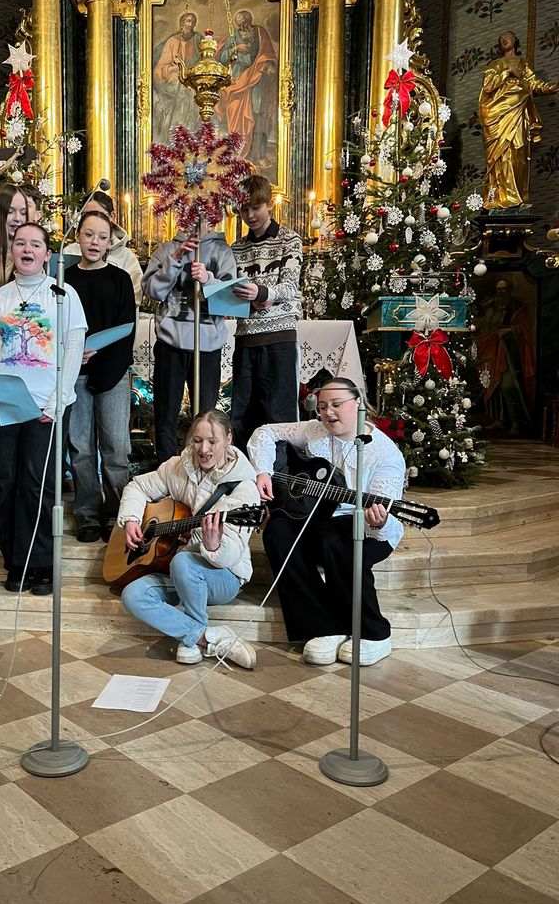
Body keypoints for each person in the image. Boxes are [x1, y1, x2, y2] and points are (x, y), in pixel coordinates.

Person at [249, 378, 405, 667]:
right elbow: (265, 433)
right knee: (278, 530)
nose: (328, 413)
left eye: (336, 405)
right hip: (318, 519)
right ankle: (322, 626)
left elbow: (384, 520)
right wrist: (263, 472)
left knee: (335, 537)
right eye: (322, 407)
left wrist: (378, 521)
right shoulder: (314, 431)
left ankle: (374, 632)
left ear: (357, 403)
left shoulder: (385, 454)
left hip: (368, 531)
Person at [0, 222, 87, 594]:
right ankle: (15, 562)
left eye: (35, 244)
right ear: (11, 251)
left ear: (47, 254)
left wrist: (55, 403)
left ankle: (40, 564)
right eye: (20, 243)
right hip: (4, 403)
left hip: (47, 405)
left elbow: (73, 349)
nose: (27, 249)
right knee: (6, 483)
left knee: (38, 485)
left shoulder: (63, 294)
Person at [118, 410, 259, 669]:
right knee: (133, 594)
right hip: (178, 570)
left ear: (228, 439)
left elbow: (230, 557)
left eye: (212, 442)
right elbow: (137, 486)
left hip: (224, 576)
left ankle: (192, 636)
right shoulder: (178, 467)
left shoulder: (243, 488)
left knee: (183, 561)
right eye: (197, 440)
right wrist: (131, 519)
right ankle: (204, 638)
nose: (203, 449)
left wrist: (213, 545)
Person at [65, 210, 136, 543]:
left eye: (102, 237)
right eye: (89, 234)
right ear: (77, 236)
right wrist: (71, 352)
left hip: (113, 372)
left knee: (116, 447)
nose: (94, 242)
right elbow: (57, 327)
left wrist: (103, 364)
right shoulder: (63, 279)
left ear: (111, 242)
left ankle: (118, 513)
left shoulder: (119, 279)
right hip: (74, 372)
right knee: (80, 448)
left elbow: (126, 329)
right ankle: (88, 513)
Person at [142, 227, 237, 463]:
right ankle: (166, 472)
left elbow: (231, 297)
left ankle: (202, 470)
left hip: (206, 346)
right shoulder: (165, 248)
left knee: (205, 417)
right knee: (165, 415)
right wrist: (174, 260)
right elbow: (151, 290)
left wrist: (207, 280)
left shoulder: (222, 252)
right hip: (171, 344)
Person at [230, 174, 303, 457]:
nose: (249, 215)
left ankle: (282, 484)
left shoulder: (289, 240)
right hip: (246, 341)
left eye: (255, 207)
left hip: (279, 340)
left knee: (280, 415)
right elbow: (231, 294)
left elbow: (290, 287)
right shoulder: (236, 248)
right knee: (243, 416)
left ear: (269, 203)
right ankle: (247, 484)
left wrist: (261, 293)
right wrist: (253, 299)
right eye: (243, 209)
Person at [478, 31, 558, 209]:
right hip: (497, 115)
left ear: (515, 40)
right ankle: (496, 198)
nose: (504, 39)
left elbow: (534, 83)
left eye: (507, 36)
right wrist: (507, 71)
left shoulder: (523, 63)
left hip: (518, 115)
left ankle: (516, 197)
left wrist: (550, 87)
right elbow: (488, 86)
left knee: (518, 155)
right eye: (500, 39)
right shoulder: (494, 64)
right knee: (499, 157)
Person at [217, 11, 278, 167]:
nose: (242, 25)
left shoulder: (259, 32)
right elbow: (221, 58)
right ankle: (236, 154)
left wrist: (268, 66)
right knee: (235, 115)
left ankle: (258, 155)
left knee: (259, 117)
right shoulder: (232, 37)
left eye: (244, 21)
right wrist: (235, 49)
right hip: (238, 82)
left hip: (256, 80)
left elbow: (267, 53)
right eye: (239, 23)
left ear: (250, 20)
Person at [475, 276, 535, 435]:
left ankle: (516, 421)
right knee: (493, 387)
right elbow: (484, 325)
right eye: (498, 289)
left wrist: (509, 330)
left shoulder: (517, 307)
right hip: (491, 351)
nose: (501, 292)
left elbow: (524, 328)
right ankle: (500, 420)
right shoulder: (490, 306)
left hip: (510, 353)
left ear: (509, 290)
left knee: (508, 386)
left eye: (504, 289)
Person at [64, 189, 143, 303]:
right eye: (87, 214)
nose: (94, 218)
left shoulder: (126, 257)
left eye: (99, 214)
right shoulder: (69, 252)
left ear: (112, 216)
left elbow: (134, 296)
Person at [152, 11, 203, 144]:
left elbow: (206, 63)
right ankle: (177, 136)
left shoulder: (199, 40)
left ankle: (191, 137)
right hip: (174, 82)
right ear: (182, 23)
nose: (190, 24)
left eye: (192, 21)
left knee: (193, 95)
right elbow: (159, 70)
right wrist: (174, 69)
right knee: (184, 92)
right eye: (187, 21)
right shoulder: (173, 41)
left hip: (193, 81)